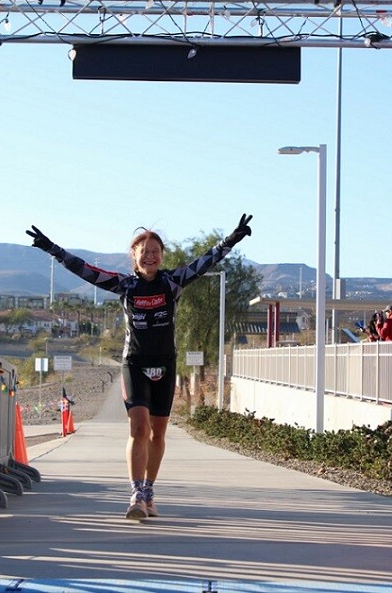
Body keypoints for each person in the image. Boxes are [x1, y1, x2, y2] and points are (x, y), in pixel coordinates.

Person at [26, 214, 253, 520]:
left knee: (158, 434)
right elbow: (86, 270)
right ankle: (136, 494)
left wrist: (231, 240)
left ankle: (149, 492)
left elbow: (204, 262)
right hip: (134, 363)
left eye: (155, 251)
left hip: (165, 364)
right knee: (138, 427)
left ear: (162, 256)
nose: (150, 256)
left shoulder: (172, 282)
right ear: (134, 255)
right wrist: (52, 249)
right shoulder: (125, 285)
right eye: (144, 251)